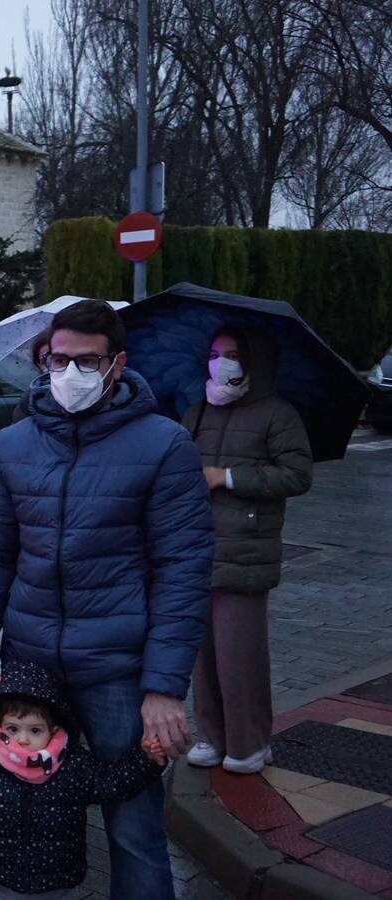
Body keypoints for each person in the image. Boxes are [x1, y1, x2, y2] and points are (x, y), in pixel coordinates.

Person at [0, 299, 214, 899]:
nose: (70, 374)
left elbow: (183, 571)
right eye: (57, 360)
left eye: (87, 361)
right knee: (25, 818)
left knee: (134, 829)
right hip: (30, 664)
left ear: (118, 364)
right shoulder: (12, 445)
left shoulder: (166, 445)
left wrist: (163, 687)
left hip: (120, 673)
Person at [182, 326, 313, 774]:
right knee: (202, 657)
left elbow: (297, 475)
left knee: (240, 655)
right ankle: (212, 737)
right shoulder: (197, 412)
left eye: (234, 353)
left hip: (246, 550)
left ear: (253, 360)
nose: (223, 362)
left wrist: (228, 477)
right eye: (216, 353)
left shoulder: (276, 413)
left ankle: (250, 743)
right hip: (196, 549)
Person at [0, 660, 168, 900]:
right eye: (12, 729)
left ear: (53, 730)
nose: (22, 739)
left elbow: (112, 783)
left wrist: (146, 759)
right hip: (2, 877)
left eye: (34, 730)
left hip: (56, 881)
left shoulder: (73, 765)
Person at [11, 328, 52, 424]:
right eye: (48, 360)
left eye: (60, 359)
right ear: (38, 366)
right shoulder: (28, 403)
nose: (53, 365)